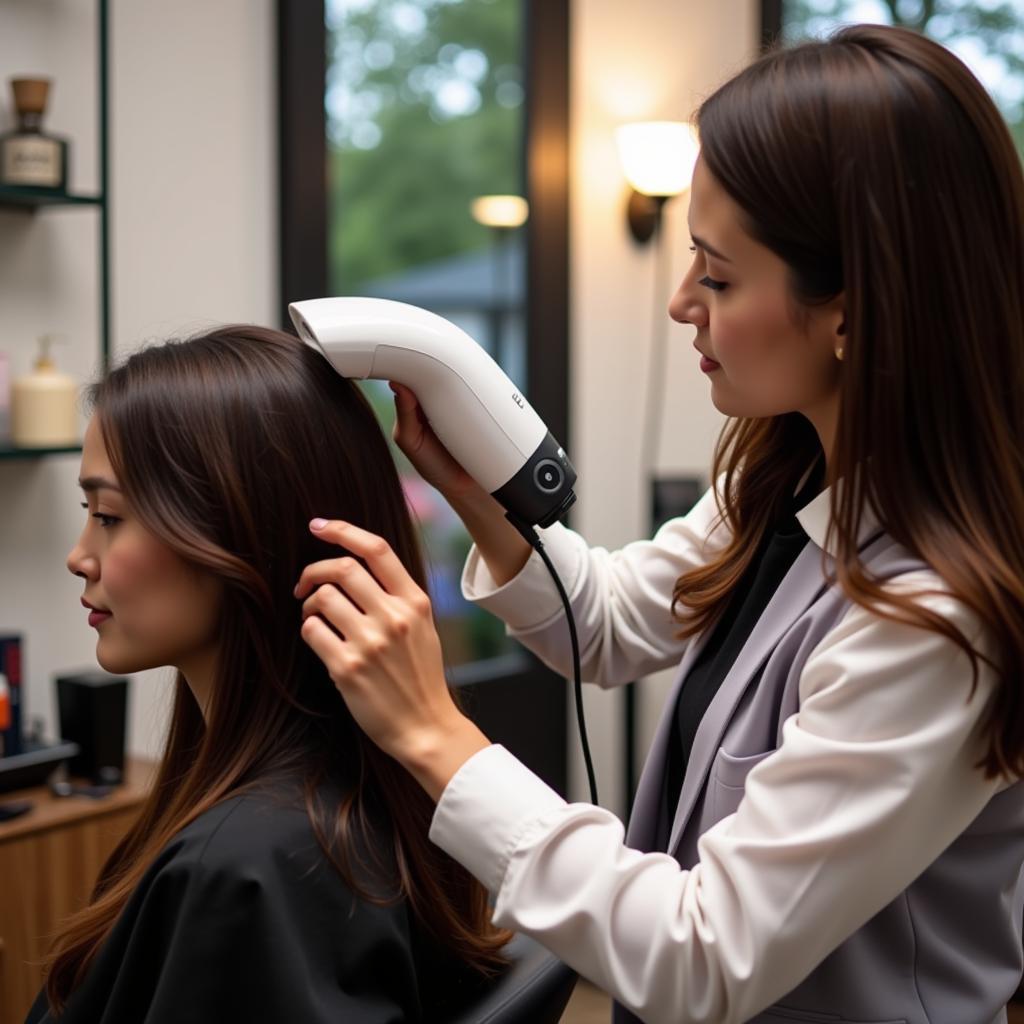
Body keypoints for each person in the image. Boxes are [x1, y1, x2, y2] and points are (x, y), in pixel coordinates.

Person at [292, 23, 1024, 1024]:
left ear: (852, 312)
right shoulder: (786, 476)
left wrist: (433, 735)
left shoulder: (934, 621)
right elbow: (607, 619)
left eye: (717, 276)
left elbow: (702, 957)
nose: (682, 302)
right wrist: (479, 494)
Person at [29, 325, 509, 1023]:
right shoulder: (356, 802)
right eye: (87, 513)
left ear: (238, 535)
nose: (80, 555)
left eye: (108, 516)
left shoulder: (248, 869)